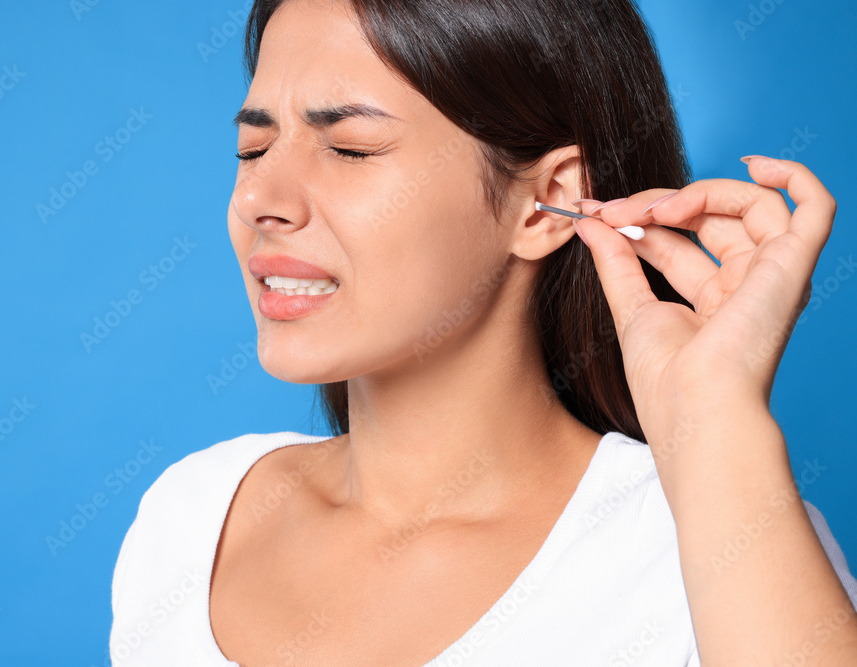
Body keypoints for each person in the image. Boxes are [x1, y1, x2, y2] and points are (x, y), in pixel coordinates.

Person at [109, 0, 857, 664]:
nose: (260, 201)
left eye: (350, 149)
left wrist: (715, 422)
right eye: (253, 148)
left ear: (545, 203)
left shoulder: (712, 536)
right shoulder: (193, 518)